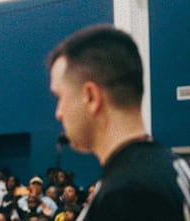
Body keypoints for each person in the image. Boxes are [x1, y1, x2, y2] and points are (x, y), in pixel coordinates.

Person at [47, 24, 190, 221]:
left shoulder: (128, 194)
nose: (58, 113)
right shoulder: (169, 165)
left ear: (91, 96)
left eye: (60, 97)